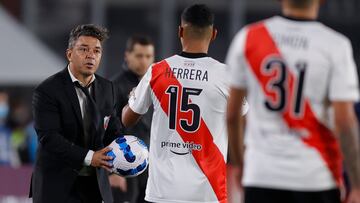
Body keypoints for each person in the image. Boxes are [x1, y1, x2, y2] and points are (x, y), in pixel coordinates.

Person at [226, 0, 360, 203]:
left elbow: (232, 115)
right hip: (316, 178)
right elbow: (344, 121)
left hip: (261, 175)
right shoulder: (335, 45)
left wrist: (239, 165)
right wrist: (357, 183)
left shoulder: (249, 37)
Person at [122, 4, 247, 203]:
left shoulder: (157, 71)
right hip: (208, 193)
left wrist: (132, 97)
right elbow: (243, 122)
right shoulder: (226, 75)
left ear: (180, 31)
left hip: (161, 192)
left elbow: (127, 119)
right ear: (213, 34)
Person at [30, 24, 123, 203]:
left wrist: (128, 150)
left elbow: (112, 130)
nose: (91, 55)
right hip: (56, 187)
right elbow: (49, 138)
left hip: (95, 186)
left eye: (97, 51)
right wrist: (90, 157)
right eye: (84, 49)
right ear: (69, 54)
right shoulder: (47, 90)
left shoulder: (108, 88)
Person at [110, 35, 155, 203]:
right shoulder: (114, 86)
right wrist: (112, 171)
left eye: (148, 56)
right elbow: (106, 129)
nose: (144, 61)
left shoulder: (155, 85)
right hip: (124, 165)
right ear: (127, 56)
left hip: (149, 165)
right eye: (138, 55)